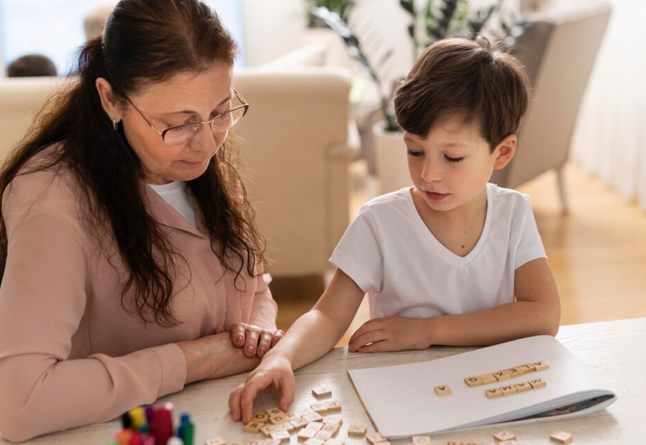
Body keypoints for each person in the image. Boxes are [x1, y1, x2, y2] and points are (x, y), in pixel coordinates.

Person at [0, 0, 282, 441]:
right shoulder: (52, 199)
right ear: (111, 99)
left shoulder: (195, 163)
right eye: (177, 123)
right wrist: (197, 359)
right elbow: (16, 401)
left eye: (220, 112)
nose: (207, 143)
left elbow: (254, 287)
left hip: (219, 419)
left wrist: (257, 332)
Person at [228, 36, 561, 422]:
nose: (428, 173)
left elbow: (543, 315)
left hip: (491, 392)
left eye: (452, 157)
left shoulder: (513, 213)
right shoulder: (380, 222)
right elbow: (328, 317)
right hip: (405, 397)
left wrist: (427, 330)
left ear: (501, 153)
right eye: (414, 150)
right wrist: (280, 358)